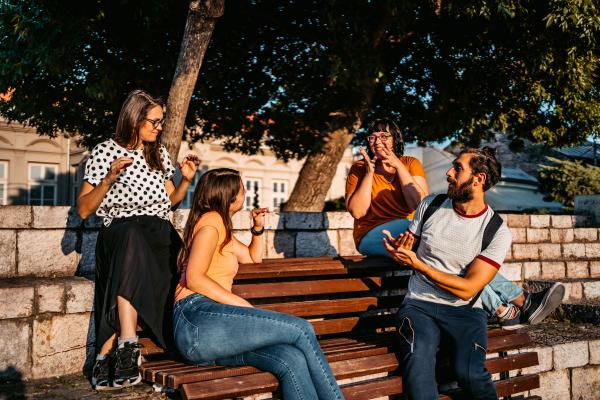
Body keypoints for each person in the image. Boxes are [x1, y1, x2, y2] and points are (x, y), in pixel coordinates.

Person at [383, 147, 565, 399]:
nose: (448, 172)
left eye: (457, 168)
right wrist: (400, 252)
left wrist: (419, 265)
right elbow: (409, 248)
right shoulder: (430, 205)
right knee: (419, 363)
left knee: (469, 372)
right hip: (419, 306)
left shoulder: (496, 231)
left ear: (478, 179)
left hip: (466, 309)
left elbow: (469, 288)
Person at [345, 119, 562, 329]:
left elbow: (418, 202)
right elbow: (357, 211)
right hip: (372, 234)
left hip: (411, 231)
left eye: (384, 136)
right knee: (444, 247)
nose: (377, 141)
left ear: (395, 140)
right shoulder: (359, 167)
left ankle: (508, 309)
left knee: (450, 253)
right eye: (373, 136)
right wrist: (369, 173)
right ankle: (515, 302)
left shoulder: (410, 164)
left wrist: (399, 167)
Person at [173, 168, 344, 400]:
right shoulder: (211, 222)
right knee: (301, 329)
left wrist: (257, 228)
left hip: (208, 334)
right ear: (229, 195)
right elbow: (194, 277)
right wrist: (241, 303)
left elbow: (253, 258)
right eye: (242, 190)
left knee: (289, 358)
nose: (245, 194)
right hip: (197, 321)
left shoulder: (221, 227)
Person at [77, 89, 199, 390]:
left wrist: (185, 179)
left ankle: (107, 352)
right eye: (154, 122)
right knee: (129, 237)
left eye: (161, 122)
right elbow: (83, 210)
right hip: (120, 232)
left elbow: (169, 201)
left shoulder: (158, 153)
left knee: (131, 251)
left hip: (157, 235)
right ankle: (128, 346)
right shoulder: (105, 151)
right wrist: (108, 179)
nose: (159, 128)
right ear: (134, 120)